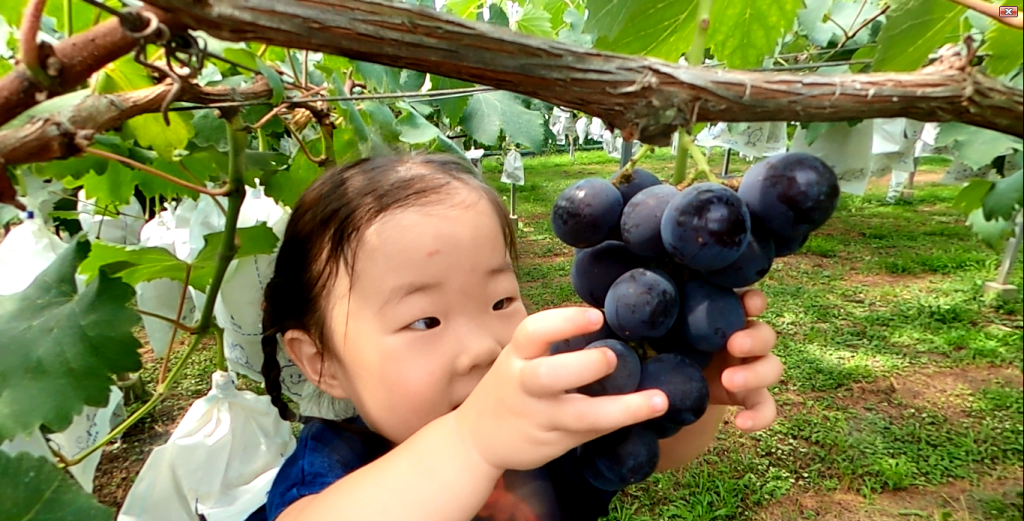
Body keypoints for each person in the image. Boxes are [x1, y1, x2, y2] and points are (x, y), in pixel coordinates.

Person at [250, 153, 783, 521]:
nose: (485, 346)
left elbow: (648, 454)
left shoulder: (534, 420)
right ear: (323, 364)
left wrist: (692, 384)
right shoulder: (336, 469)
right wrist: (471, 442)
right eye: (424, 321)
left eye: (500, 301)